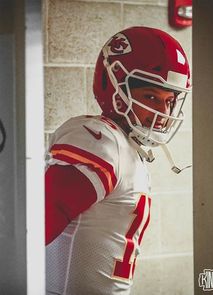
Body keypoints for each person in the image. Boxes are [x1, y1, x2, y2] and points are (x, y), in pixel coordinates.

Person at [45, 26, 191, 295]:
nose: (163, 112)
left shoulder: (127, 146)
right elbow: (33, 231)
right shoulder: (99, 141)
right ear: (113, 86)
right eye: (150, 97)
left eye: (169, 101)